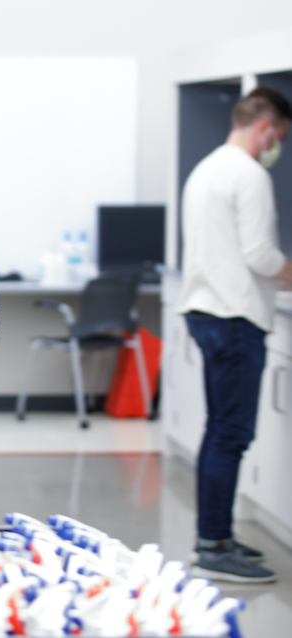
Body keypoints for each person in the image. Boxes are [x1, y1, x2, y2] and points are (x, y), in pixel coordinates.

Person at [178, 86, 292, 583]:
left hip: (207, 312)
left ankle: (218, 535)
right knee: (230, 434)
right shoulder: (249, 174)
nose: (278, 146)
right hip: (235, 318)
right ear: (266, 126)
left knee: (220, 431)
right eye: (281, 135)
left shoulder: (207, 168)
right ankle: (211, 547)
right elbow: (262, 256)